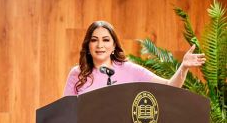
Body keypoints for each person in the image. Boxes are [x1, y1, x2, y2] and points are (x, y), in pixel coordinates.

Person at [63, 20, 206, 96]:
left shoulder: (130, 70)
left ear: (114, 46)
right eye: (94, 40)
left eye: (106, 40)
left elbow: (169, 87)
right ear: (88, 45)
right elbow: (65, 112)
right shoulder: (77, 73)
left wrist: (184, 67)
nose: (100, 45)